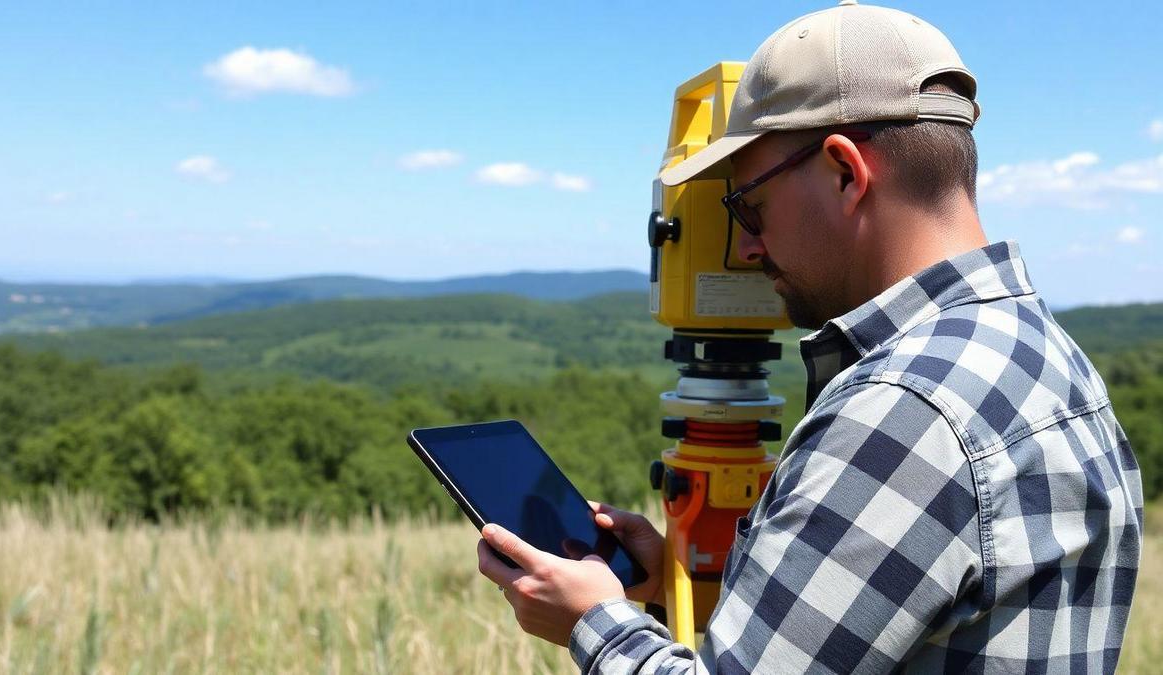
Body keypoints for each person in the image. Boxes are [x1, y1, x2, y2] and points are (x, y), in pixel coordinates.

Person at [477, 1, 1144, 671]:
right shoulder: (1042, 355)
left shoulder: (905, 409)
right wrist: (666, 583)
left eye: (749, 206)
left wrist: (594, 620)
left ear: (845, 172)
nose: (744, 249)